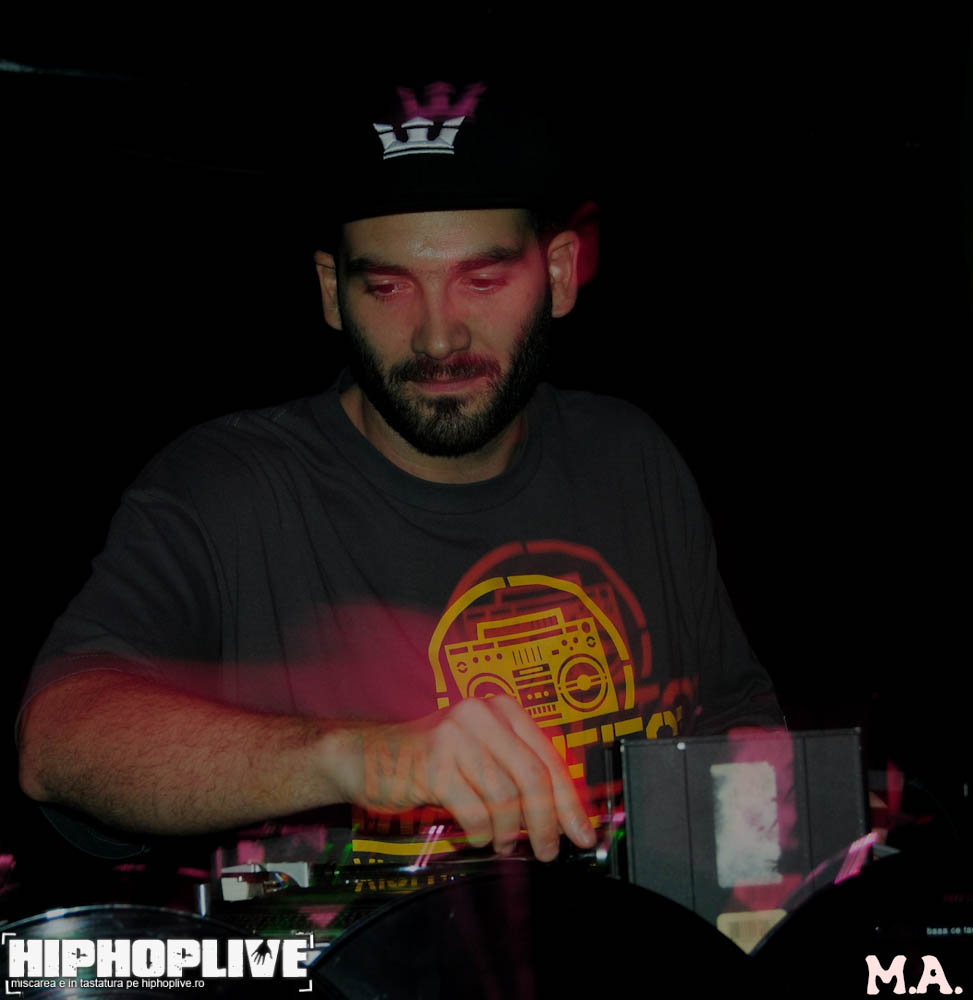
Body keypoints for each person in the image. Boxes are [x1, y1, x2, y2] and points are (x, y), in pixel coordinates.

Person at [17, 77, 783, 866]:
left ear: (557, 274)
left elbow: (736, 723)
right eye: (386, 287)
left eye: (481, 280)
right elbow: (59, 742)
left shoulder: (631, 457)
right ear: (331, 293)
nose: (437, 336)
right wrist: (356, 756)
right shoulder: (228, 490)